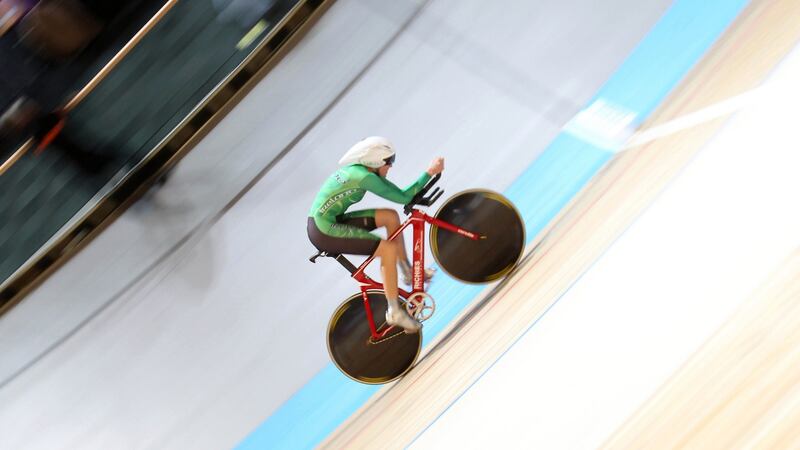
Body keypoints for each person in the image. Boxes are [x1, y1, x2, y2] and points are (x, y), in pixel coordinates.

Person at [308, 136, 444, 333]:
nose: (390, 167)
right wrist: (429, 172)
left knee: (390, 217)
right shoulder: (364, 177)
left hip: (328, 221)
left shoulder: (362, 171)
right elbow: (403, 196)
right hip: (324, 230)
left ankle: (407, 272)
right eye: (389, 162)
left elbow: (398, 193)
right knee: (387, 250)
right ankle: (394, 311)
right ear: (375, 162)